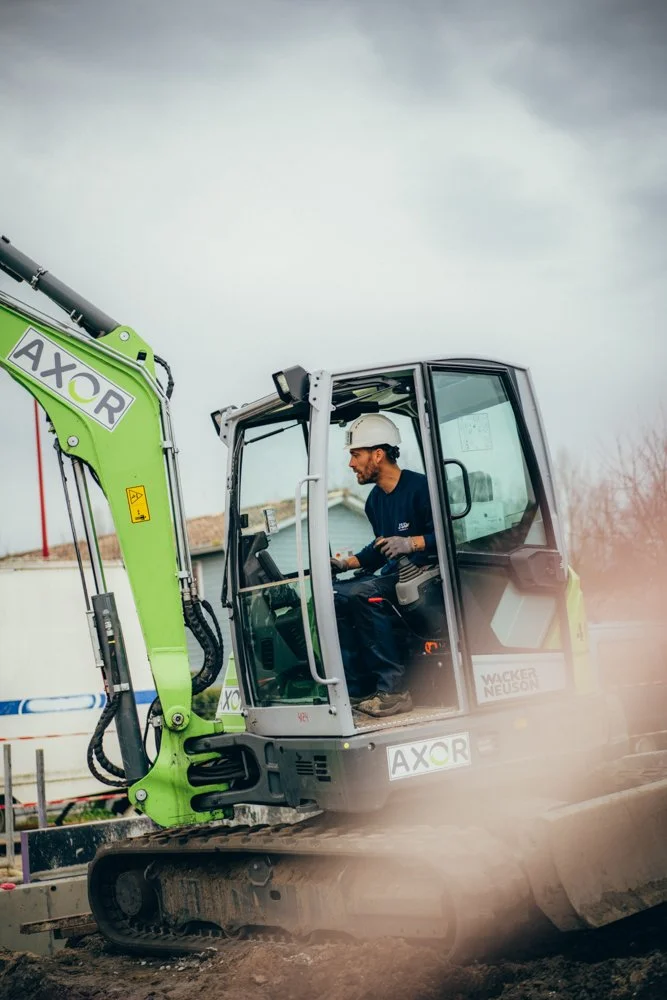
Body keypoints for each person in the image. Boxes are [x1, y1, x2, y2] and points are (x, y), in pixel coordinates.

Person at [331, 413, 436, 717]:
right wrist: (344, 563)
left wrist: (412, 542)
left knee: (365, 594)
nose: (351, 464)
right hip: (395, 575)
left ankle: (394, 691)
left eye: (355, 454)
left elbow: (447, 535)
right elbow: (379, 549)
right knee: (337, 596)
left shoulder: (421, 488)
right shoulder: (374, 501)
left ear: (378, 454)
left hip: (427, 576)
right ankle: (359, 689)